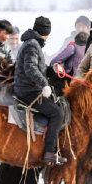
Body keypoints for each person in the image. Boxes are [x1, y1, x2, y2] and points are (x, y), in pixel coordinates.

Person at [14, 16, 66, 164]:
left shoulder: (31, 43)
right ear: (47, 33)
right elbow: (30, 68)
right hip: (28, 91)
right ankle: (50, 152)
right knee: (57, 112)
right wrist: (44, 84)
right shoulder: (32, 45)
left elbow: (37, 68)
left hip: (27, 89)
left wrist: (52, 71)